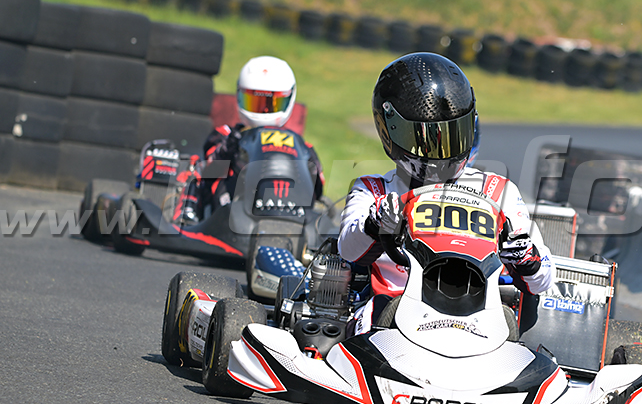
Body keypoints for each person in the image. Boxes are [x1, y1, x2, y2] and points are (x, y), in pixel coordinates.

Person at [338, 52, 553, 336]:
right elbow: (348, 251)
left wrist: (528, 259)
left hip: (478, 323)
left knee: (510, 323)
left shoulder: (497, 191)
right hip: (392, 317)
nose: (443, 153)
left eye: (453, 136)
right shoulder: (375, 191)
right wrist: (375, 224)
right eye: (426, 140)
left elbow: (543, 280)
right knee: (370, 317)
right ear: (390, 131)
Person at [176, 56, 324, 223]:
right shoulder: (226, 135)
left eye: (271, 104)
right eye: (255, 102)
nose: (263, 111)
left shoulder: (300, 146)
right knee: (194, 166)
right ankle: (187, 220)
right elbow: (210, 168)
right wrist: (231, 146)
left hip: (290, 215)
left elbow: (318, 188)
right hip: (229, 214)